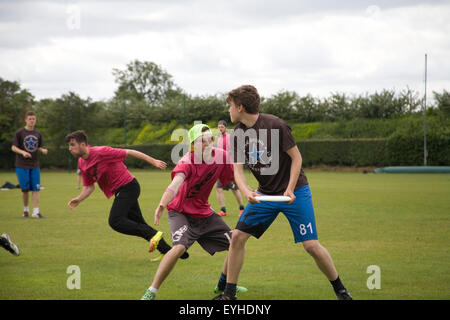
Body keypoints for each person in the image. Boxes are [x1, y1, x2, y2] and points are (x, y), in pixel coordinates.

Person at [215, 85, 352, 300]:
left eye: (230, 106)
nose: (229, 111)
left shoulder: (276, 125)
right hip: (265, 195)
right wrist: (246, 190)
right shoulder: (238, 134)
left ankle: (341, 291)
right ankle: (229, 295)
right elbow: (237, 169)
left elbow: (296, 158)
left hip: (295, 192)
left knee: (311, 245)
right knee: (238, 237)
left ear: (240, 107)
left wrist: (289, 187)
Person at [141, 124, 247, 300]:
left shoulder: (221, 156)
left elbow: (235, 177)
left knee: (236, 241)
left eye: (209, 139)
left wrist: (250, 190)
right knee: (179, 248)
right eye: (201, 141)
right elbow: (175, 184)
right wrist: (162, 203)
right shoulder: (187, 161)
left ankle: (223, 285)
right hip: (180, 212)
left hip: (204, 212)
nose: (207, 143)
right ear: (193, 145)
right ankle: (151, 291)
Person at [65, 130, 188, 262]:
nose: (70, 148)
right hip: (120, 191)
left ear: (83, 144)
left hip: (129, 186)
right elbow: (89, 187)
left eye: (72, 144)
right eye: (69, 145)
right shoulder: (82, 163)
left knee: (115, 221)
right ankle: (171, 252)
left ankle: (153, 234)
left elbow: (129, 152)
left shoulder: (101, 152)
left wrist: (153, 161)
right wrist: (79, 199)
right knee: (140, 224)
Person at [11, 111, 48, 218]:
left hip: (35, 165)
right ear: (26, 120)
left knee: (36, 188)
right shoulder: (19, 133)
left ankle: (36, 212)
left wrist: (42, 150)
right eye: (30, 119)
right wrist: (23, 152)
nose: (32, 121)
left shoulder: (38, 133)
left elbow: (38, 146)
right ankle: (26, 210)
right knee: (25, 189)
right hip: (21, 165)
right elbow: (13, 147)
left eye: (33, 119)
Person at [215, 120, 245, 217]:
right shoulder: (219, 139)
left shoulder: (229, 138)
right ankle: (223, 210)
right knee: (219, 188)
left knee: (234, 189)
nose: (220, 129)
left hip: (229, 168)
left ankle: (242, 209)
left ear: (225, 128)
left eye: (222, 127)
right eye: (219, 127)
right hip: (221, 168)